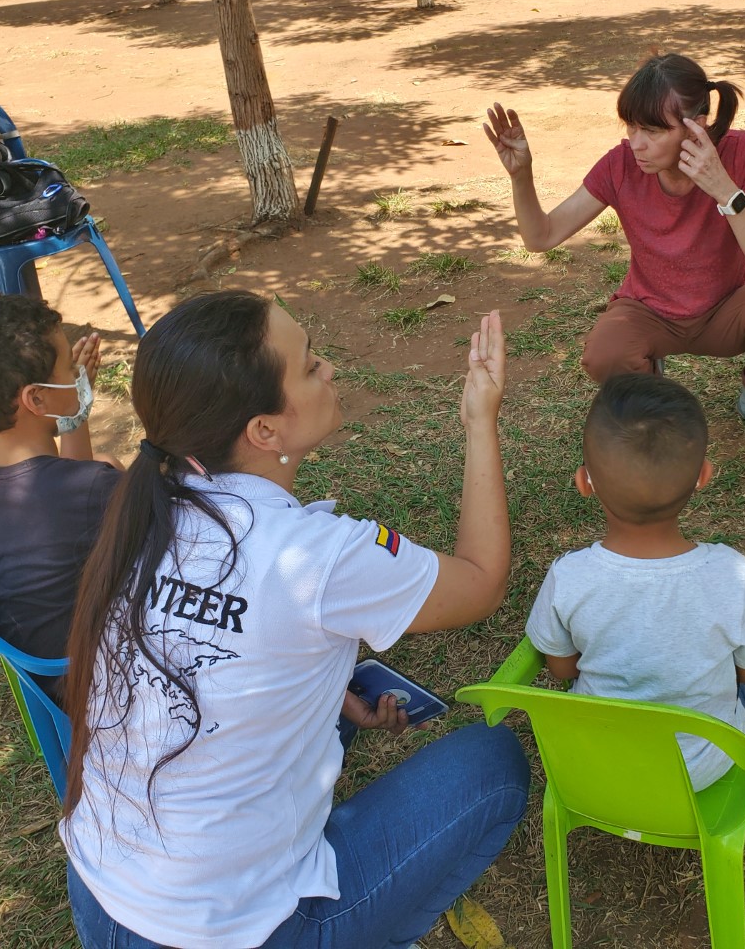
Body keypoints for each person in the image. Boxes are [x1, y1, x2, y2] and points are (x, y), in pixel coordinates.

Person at [59, 291, 529, 949]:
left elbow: (220, 646)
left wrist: (330, 694)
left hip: (102, 895)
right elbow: (480, 583)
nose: (330, 368)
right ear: (263, 432)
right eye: (309, 366)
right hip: (235, 931)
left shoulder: (141, 510)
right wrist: (482, 420)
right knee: (491, 762)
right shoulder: (316, 556)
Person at [484, 53, 745, 462]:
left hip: (723, 312)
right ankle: (653, 392)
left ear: (697, 126)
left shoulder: (738, 152)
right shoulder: (620, 165)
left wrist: (723, 189)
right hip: (651, 313)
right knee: (604, 353)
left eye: (653, 130)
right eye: (632, 126)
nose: (636, 142)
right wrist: (521, 175)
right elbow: (541, 236)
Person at [525, 372, 745, 790]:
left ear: (583, 483)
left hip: (598, 760)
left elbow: (561, 669)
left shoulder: (568, 576)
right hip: (703, 768)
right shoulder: (730, 572)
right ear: (704, 476)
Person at [0, 295, 121, 694]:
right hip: (96, 681)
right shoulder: (89, 488)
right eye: (70, 367)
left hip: (45, 669)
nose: (78, 374)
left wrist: (72, 412)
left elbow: (69, 481)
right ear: (36, 398)